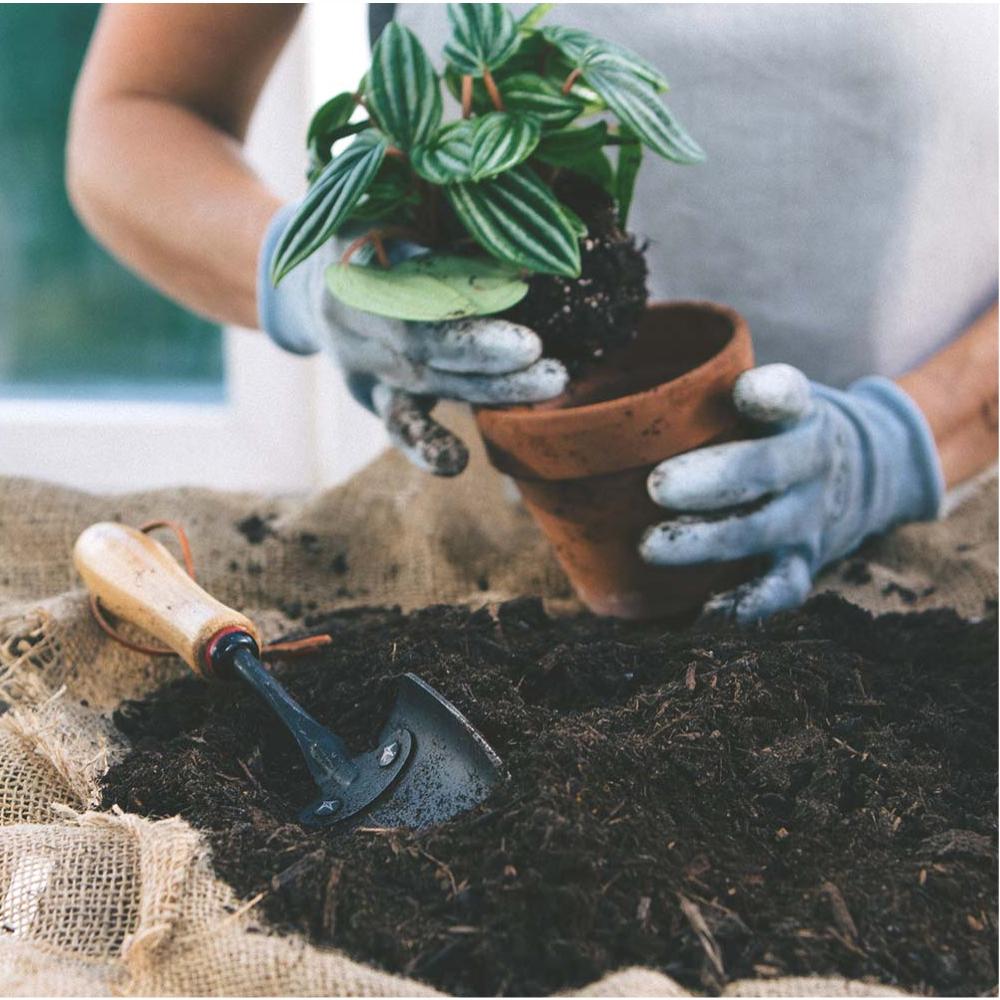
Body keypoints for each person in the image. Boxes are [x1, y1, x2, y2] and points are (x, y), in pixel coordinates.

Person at [66, 4, 998, 622]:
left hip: (944, 542)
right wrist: (309, 278)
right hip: (467, 561)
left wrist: (902, 441)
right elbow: (135, 114)